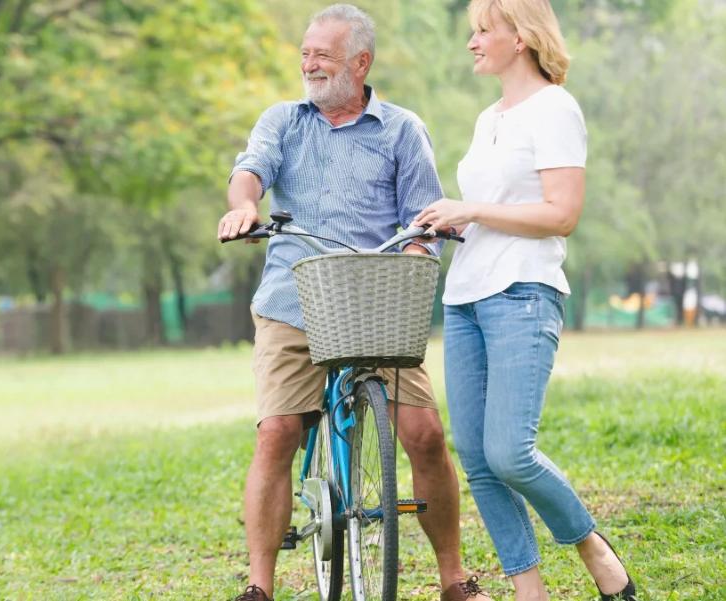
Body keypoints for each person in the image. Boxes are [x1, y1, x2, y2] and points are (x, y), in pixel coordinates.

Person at [218, 5, 491, 601]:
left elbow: (423, 218)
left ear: (360, 63)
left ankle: (454, 578)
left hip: (375, 304)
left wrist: (420, 252)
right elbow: (250, 171)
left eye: (323, 55)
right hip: (293, 298)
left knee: (423, 434)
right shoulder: (283, 121)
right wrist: (244, 205)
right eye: (305, 54)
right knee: (277, 432)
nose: (309, 65)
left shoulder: (402, 129)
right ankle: (258, 586)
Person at [413, 1, 637, 600]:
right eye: (473, 31)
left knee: (510, 452)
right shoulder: (490, 117)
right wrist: (454, 223)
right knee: (480, 462)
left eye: (484, 30)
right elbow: (500, 207)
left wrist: (475, 209)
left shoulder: (556, 109)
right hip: (465, 297)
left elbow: (561, 215)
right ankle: (528, 589)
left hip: (522, 293)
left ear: (522, 36)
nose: (473, 42)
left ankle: (591, 544)